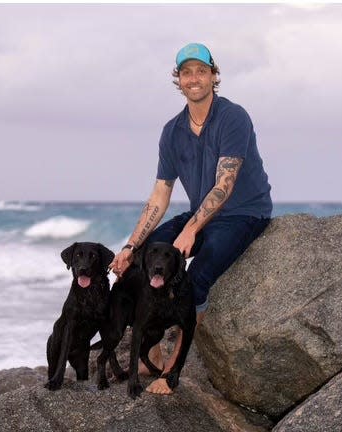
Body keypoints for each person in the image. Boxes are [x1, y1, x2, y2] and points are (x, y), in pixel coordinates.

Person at [110, 42, 272, 395]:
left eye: (202, 71)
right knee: (144, 259)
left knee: (195, 277)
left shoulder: (233, 117)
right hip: (202, 211)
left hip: (244, 212)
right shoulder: (172, 131)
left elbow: (225, 185)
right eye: (186, 72)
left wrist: (191, 230)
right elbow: (160, 193)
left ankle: (172, 371)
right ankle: (149, 353)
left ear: (214, 76)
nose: (194, 78)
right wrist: (130, 245)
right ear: (178, 80)